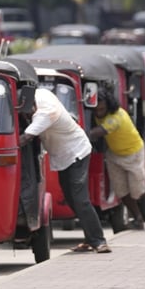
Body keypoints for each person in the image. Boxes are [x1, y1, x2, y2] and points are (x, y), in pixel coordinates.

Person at [19, 87, 111, 253]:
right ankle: (90, 238)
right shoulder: (40, 93)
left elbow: (25, 138)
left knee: (80, 199)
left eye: (26, 113)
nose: (26, 117)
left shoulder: (45, 113)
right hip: (63, 157)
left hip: (76, 153)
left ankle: (99, 241)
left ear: (32, 106)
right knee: (71, 198)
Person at [89, 87, 145, 230]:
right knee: (121, 191)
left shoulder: (116, 117)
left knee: (138, 189)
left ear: (108, 106)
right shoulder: (98, 115)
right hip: (114, 154)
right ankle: (138, 218)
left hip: (133, 153)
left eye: (102, 109)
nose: (98, 113)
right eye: (96, 110)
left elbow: (99, 132)